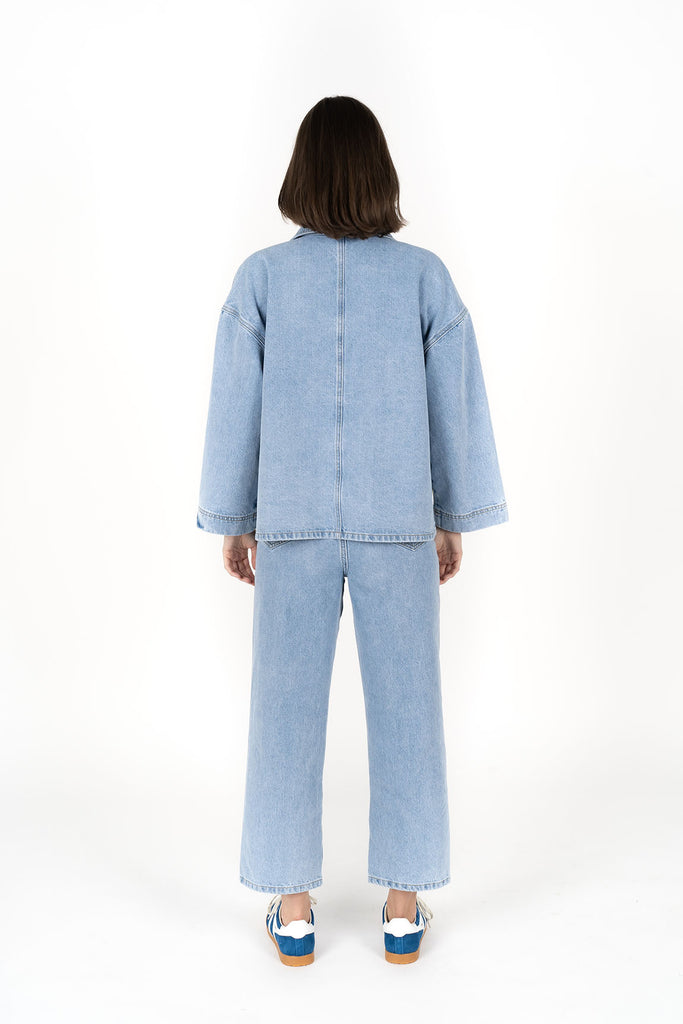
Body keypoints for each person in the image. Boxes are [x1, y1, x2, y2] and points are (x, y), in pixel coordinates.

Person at [196, 95, 509, 966]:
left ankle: (293, 911)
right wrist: (450, 518)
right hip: (396, 521)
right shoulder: (423, 278)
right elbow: (453, 405)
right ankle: (402, 910)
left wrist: (235, 520)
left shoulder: (261, 279)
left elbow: (235, 407)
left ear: (300, 173)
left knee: (282, 711)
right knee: (410, 710)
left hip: (290, 522)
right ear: (379, 173)